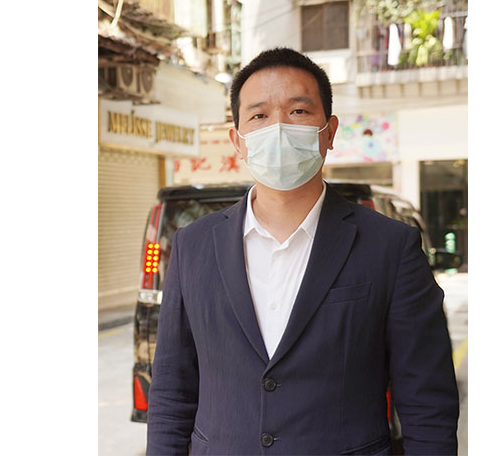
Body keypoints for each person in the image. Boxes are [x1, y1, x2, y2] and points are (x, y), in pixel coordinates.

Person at [146, 47, 458, 455]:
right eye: (259, 115)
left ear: (329, 132)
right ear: (238, 141)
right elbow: (172, 391)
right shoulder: (193, 245)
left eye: (297, 111)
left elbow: (427, 403)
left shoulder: (390, 247)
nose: (278, 127)